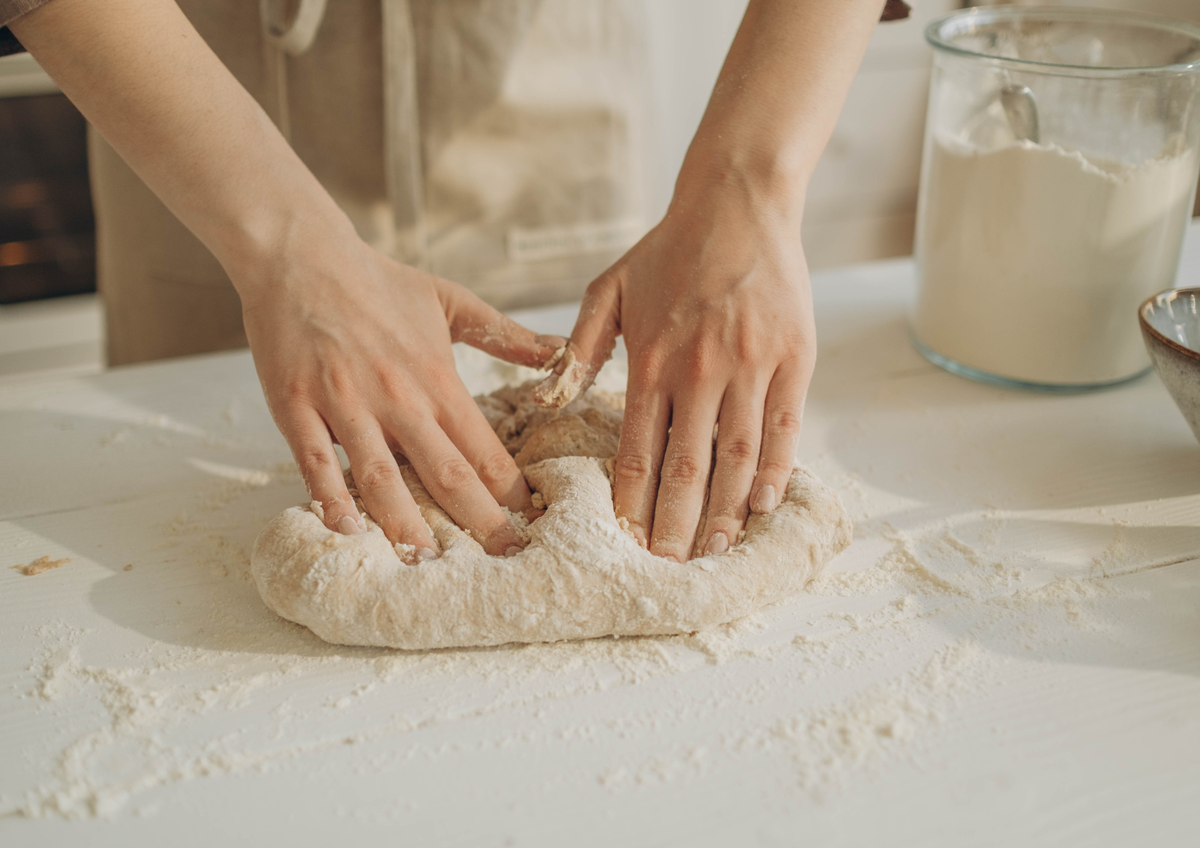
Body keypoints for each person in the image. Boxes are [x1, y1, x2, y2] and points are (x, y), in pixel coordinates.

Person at [2, 0, 905, 563]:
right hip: (187, 108)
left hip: (539, 109)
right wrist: (280, 247)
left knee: (597, 417)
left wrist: (749, 178)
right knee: (178, 520)